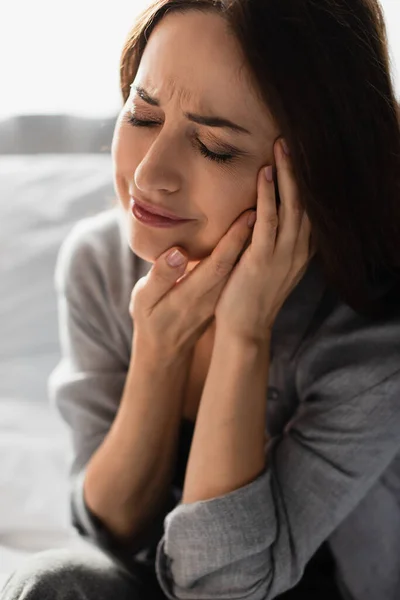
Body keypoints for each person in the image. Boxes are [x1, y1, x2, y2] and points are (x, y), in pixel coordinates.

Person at [2, 0, 400, 598]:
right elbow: (109, 530)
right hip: (157, 576)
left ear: (314, 172)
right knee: (51, 584)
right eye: (141, 114)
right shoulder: (101, 265)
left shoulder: (370, 333)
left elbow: (224, 590)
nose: (149, 175)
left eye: (213, 145)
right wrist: (158, 350)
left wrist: (246, 333)